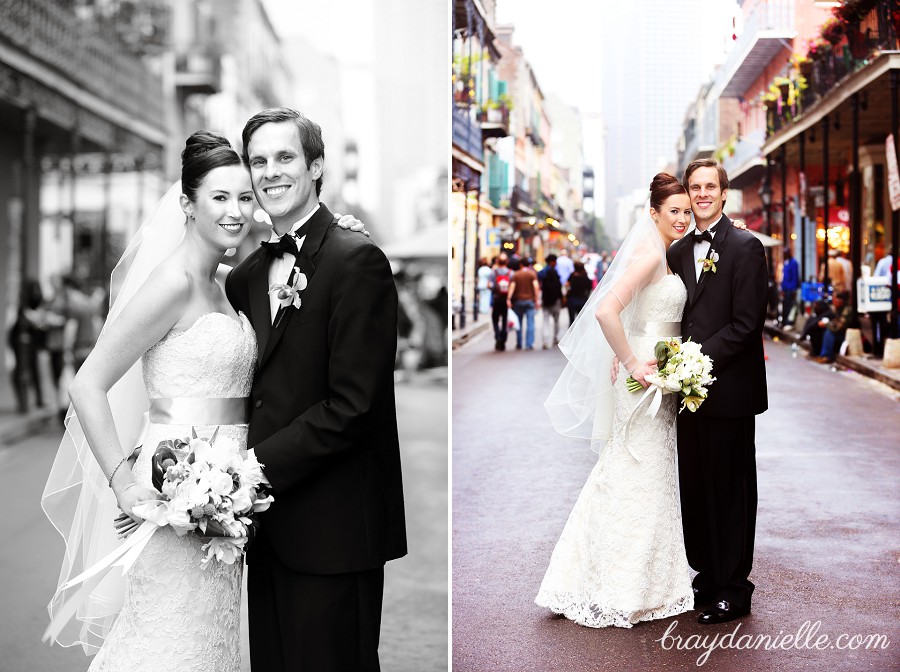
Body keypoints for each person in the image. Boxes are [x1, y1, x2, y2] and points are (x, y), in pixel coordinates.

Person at [42, 130, 367, 669]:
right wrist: (125, 484)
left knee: (210, 643)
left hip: (232, 502)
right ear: (188, 205)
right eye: (220, 197)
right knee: (170, 642)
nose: (237, 211)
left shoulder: (231, 281)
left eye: (245, 197)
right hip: (177, 492)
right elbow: (87, 384)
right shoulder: (170, 283)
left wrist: (340, 235)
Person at [225, 107, 406, 672]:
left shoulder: (358, 261)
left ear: (316, 166)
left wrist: (250, 466)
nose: (270, 172)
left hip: (335, 529)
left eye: (285, 158)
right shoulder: (245, 276)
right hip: (263, 526)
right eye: (258, 161)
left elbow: (354, 405)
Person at [537, 173, 694, 628]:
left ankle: (646, 580)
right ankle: (618, 583)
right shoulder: (648, 256)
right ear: (654, 214)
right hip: (645, 378)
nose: (682, 219)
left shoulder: (667, 255)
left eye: (686, 212)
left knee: (645, 472)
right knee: (634, 469)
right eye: (674, 212)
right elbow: (606, 309)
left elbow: (633, 311)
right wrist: (629, 361)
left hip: (661, 371)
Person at [667, 158, 768, 624]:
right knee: (695, 485)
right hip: (685, 394)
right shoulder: (676, 251)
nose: (703, 193)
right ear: (687, 195)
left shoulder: (746, 247)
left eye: (711, 186)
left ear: (724, 193)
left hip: (728, 390)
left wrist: (697, 359)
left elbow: (747, 324)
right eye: (695, 187)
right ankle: (706, 574)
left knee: (730, 489)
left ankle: (734, 587)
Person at [507, 257, 540, 350]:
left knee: (519, 323)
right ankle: (529, 344)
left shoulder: (516, 275)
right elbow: (536, 287)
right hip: (530, 301)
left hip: (518, 301)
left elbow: (512, 287)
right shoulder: (532, 274)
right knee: (530, 323)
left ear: (520, 264)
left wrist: (509, 299)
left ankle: (519, 343)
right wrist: (537, 300)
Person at [814, 291, 852, 363]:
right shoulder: (836, 309)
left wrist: (827, 324)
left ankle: (826, 355)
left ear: (841, 300)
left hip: (844, 335)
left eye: (835, 299)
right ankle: (820, 353)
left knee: (829, 332)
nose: (834, 301)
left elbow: (838, 327)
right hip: (838, 333)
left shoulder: (846, 310)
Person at [538, 254, 563, 349]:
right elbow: (558, 287)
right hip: (555, 300)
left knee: (545, 320)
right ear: (552, 262)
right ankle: (555, 338)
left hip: (546, 300)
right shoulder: (554, 272)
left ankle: (545, 340)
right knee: (556, 320)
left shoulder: (542, 272)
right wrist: (561, 298)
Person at [489, 253, 512, 351]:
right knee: (505, 319)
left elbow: (489, 285)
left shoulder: (493, 273)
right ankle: (504, 336)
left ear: (497, 261)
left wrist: (494, 288)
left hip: (496, 299)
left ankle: (498, 336)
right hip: (506, 300)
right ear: (507, 262)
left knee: (495, 319)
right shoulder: (511, 273)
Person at [780, 248, 799, 328]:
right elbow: (784, 277)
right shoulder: (785, 262)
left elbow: (795, 276)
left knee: (790, 305)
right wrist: (782, 288)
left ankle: (789, 322)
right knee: (785, 305)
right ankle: (784, 321)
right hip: (786, 288)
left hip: (790, 288)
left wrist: (794, 289)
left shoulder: (794, 263)